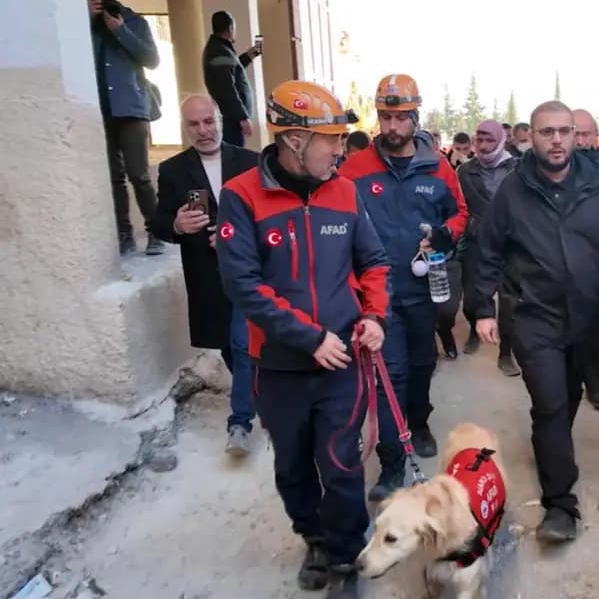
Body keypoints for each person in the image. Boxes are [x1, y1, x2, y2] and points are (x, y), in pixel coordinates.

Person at [216, 80, 390, 599]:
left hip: (342, 363)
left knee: (340, 466)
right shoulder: (240, 196)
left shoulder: (346, 192)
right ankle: (312, 538)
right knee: (291, 466)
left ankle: (343, 560)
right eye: (331, 140)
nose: (341, 150)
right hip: (279, 364)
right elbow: (244, 286)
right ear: (294, 140)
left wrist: (375, 316)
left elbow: (374, 262)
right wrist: (309, 336)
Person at [474, 101, 599, 542]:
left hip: (585, 319)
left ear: (575, 134)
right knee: (550, 405)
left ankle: (551, 447)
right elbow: (487, 250)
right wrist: (483, 311)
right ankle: (560, 506)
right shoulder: (513, 189)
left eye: (565, 131)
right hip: (533, 318)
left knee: (564, 401)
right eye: (547, 132)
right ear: (532, 136)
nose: (558, 140)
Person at [338, 74, 468, 500]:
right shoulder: (354, 170)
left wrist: (446, 235)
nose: (392, 127)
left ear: (416, 117)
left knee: (421, 363)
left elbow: (459, 213)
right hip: (377, 292)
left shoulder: (439, 167)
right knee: (387, 373)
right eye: (385, 117)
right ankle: (393, 463)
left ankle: (421, 419)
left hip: (422, 289)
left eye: (400, 118)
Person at [151, 95, 259, 456]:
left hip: (249, 271)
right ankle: (258, 394)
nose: (203, 130)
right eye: (194, 124)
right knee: (231, 346)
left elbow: (273, 215)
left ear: (219, 119)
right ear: (186, 128)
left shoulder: (250, 162)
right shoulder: (173, 170)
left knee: (243, 344)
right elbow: (159, 222)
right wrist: (178, 225)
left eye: (208, 121)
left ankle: (240, 423)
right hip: (207, 277)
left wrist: (237, 233)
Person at [87, 0, 163, 256]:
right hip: (100, 110)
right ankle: (124, 235)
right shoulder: (85, 26)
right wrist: (87, 20)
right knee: (113, 177)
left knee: (138, 174)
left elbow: (152, 60)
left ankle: (157, 232)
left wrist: (120, 30)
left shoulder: (135, 22)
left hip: (132, 109)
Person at [456, 120, 520, 376]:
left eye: (489, 140)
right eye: (478, 140)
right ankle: (474, 330)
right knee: (473, 297)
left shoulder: (518, 169)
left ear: (501, 141)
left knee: (510, 303)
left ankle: (506, 354)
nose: (483, 146)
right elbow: (459, 206)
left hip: (511, 245)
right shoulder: (464, 171)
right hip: (477, 242)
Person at [573, 108, 599, 410]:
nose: (582, 140)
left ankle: (594, 382)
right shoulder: (549, 170)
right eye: (577, 133)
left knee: (593, 326)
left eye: (588, 133)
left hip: (595, 265)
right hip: (555, 266)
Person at [202, 11, 261, 147]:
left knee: (234, 157)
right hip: (230, 121)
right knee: (234, 159)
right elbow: (227, 88)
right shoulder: (219, 51)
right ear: (230, 29)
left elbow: (232, 70)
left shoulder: (219, 49)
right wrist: (242, 117)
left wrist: (249, 55)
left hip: (230, 119)